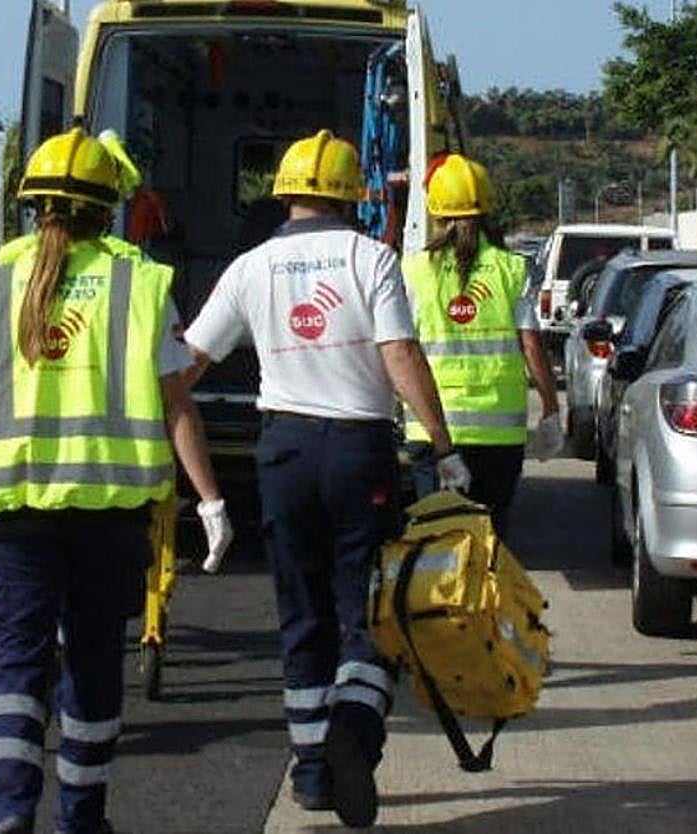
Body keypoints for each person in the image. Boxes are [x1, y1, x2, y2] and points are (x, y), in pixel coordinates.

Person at [0, 127, 232, 834]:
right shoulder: (140, 284)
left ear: (33, 204)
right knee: (92, 665)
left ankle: (5, 814)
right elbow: (176, 405)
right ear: (109, 207)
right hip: (108, 514)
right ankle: (80, 820)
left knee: (14, 670)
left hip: (12, 511)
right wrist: (210, 501)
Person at [183, 129, 468, 829]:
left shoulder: (250, 267)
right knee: (368, 611)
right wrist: (442, 445)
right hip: (357, 452)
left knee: (302, 615)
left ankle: (312, 773)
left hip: (282, 452)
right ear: (351, 197)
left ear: (284, 194)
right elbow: (399, 354)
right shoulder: (369, 257)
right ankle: (355, 730)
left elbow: (187, 362)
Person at [401, 154, 561, 541]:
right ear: (488, 207)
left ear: (436, 212)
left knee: (436, 542)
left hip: (433, 432)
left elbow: (400, 349)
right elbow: (531, 343)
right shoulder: (512, 269)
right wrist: (551, 409)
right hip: (498, 437)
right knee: (490, 539)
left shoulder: (414, 270)